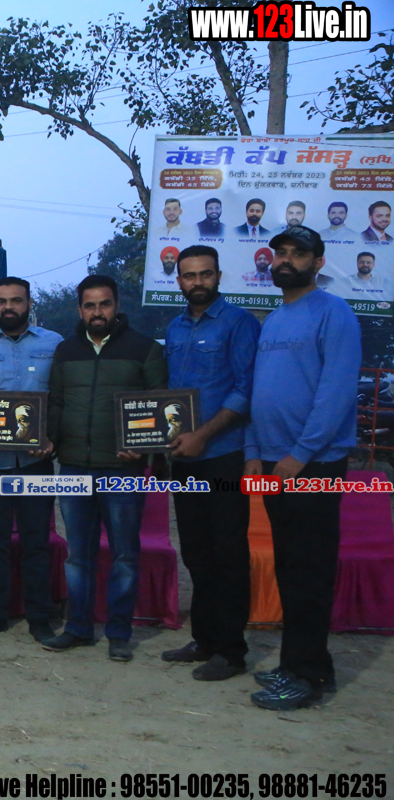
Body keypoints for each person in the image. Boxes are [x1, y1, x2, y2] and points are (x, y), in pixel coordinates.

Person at [245, 226, 361, 711]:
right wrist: (255, 451)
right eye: (280, 253)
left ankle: (304, 676)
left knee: (309, 570)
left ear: (318, 261)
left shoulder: (335, 313)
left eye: (298, 253)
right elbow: (259, 391)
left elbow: (336, 392)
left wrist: (300, 454)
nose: (286, 260)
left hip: (314, 463)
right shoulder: (274, 319)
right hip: (276, 461)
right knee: (291, 567)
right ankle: (308, 664)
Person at [40, 275, 167, 663]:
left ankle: (119, 633)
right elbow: (56, 403)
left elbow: (160, 405)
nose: (98, 312)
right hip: (73, 467)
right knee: (78, 555)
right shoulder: (65, 351)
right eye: (90, 305)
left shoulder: (144, 348)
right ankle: (78, 627)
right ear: (80, 309)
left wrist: (144, 448)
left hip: (122, 471)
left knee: (124, 555)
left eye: (105, 304)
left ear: (117, 306)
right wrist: (50, 440)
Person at [163, 244, 260, 682]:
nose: (197, 282)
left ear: (219, 276)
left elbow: (245, 390)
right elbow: (169, 395)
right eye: (189, 275)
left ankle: (232, 651)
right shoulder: (175, 327)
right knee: (197, 552)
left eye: (205, 274)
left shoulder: (239, 323)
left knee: (228, 554)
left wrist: (203, 435)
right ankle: (204, 639)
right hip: (184, 461)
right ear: (179, 281)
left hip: (223, 457)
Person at [0, 277, 62, 642]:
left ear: (29, 303)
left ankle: (39, 616)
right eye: (1, 301)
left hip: (36, 461)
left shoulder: (54, 344)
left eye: (16, 300)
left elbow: (61, 399)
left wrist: (53, 439)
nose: (8, 307)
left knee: (37, 542)